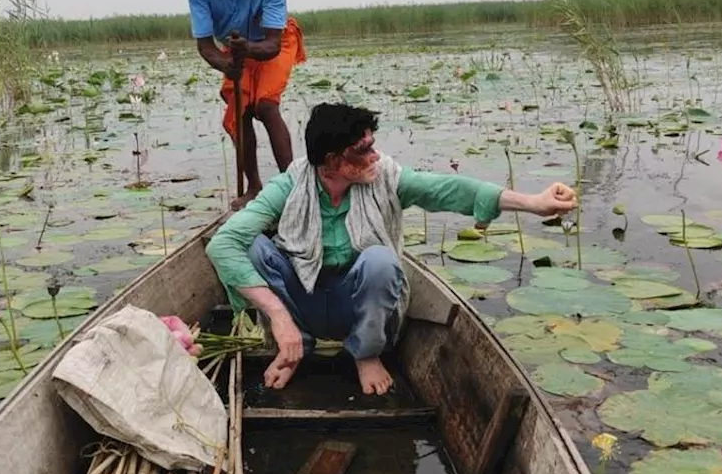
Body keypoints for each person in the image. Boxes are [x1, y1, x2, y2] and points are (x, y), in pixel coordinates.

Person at [204, 102, 579, 396]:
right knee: (251, 246)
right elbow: (224, 243)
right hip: (305, 300)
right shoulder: (292, 183)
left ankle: (366, 353)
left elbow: (449, 190)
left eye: (372, 145)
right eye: (362, 150)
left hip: (362, 306)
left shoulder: (386, 176)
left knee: (380, 261)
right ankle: (295, 347)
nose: (375, 156)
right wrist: (279, 318)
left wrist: (533, 202)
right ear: (333, 162)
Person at [186, 0, 306, 209]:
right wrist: (226, 63)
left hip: (272, 41)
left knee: (265, 106)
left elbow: (272, 44)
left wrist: (246, 50)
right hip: (235, 48)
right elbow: (206, 46)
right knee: (238, 112)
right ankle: (254, 188)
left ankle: (292, 188)